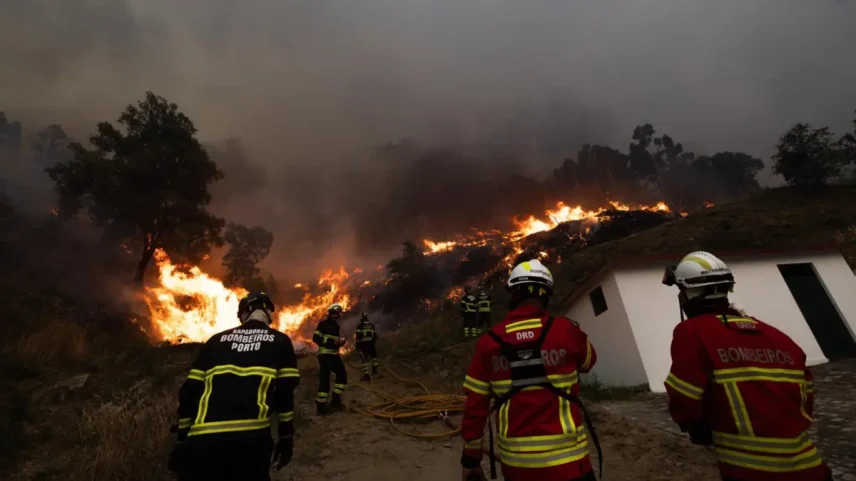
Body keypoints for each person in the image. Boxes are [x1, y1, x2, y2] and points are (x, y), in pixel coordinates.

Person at [662, 251, 833, 481]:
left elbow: (684, 396)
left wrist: (695, 426)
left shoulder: (692, 332)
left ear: (689, 293)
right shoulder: (779, 337)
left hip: (751, 471)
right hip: (813, 468)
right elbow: (806, 398)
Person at [460, 259, 599, 481]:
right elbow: (589, 362)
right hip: (572, 466)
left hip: (517, 468)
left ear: (513, 293)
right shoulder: (566, 331)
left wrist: (471, 460)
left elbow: (475, 408)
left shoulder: (489, 342)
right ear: (546, 295)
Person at [169, 291, 299, 481]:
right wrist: (286, 437)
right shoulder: (279, 340)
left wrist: (182, 438)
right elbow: (285, 393)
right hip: (251, 441)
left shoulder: (215, 341)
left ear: (244, 313)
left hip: (204, 441)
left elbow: (189, 392)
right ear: (268, 312)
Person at [313, 304, 348, 415]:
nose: (336, 315)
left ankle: (335, 400)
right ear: (330, 313)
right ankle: (321, 406)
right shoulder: (323, 324)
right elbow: (316, 338)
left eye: (338, 314)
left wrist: (340, 344)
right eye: (334, 313)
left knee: (342, 375)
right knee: (325, 379)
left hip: (334, 355)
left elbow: (334, 343)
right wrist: (331, 343)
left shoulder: (336, 327)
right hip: (324, 356)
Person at [355, 312, 379, 381]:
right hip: (371, 345)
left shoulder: (360, 326)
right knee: (374, 359)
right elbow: (375, 336)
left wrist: (357, 346)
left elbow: (358, 337)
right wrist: (373, 343)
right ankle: (375, 372)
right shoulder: (372, 325)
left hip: (364, 345)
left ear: (361, 318)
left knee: (365, 360)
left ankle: (366, 376)